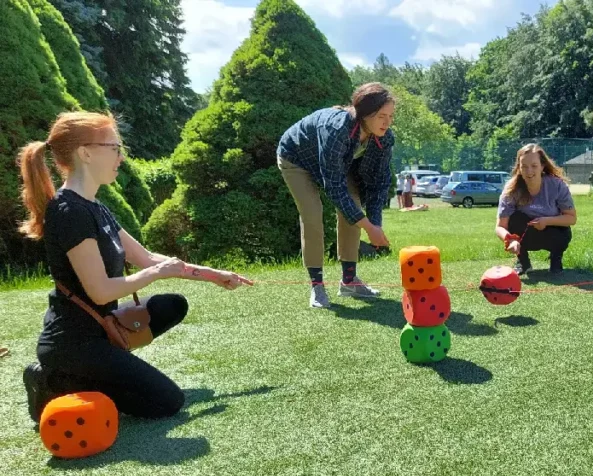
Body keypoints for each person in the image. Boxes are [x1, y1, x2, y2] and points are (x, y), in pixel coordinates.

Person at [18, 111, 252, 423]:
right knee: (167, 401)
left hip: (103, 329)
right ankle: (53, 382)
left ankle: (109, 369)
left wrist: (214, 275)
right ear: (85, 153)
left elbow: (147, 259)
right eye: (113, 148)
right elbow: (101, 292)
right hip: (73, 344)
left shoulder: (94, 207)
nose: (121, 157)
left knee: (172, 305)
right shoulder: (69, 211)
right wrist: (155, 274)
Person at [278, 82, 395, 308]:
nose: (387, 123)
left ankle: (349, 282)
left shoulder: (384, 137)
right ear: (365, 113)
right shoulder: (337, 129)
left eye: (391, 116)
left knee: (353, 208)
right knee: (312, 215)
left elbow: (379, 184)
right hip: (296, 159)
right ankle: (317, 286)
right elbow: (333, 187)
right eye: (382, 116)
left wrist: (375, 225)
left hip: (338, 163)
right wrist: (370, 229)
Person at [494, 144, 577, 275]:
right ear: (519, 168)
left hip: (553, 233)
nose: (529, 171)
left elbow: (571, 218)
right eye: (524, 167)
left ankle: (556, 260)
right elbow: (500, 227)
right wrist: (510, 239)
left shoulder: (557, 185)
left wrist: (546, 221)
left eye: (534, 166)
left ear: (542, 166)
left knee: (564, 231)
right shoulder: (511, 189)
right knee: (515, 218)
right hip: (526, 236)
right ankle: (523, 263)